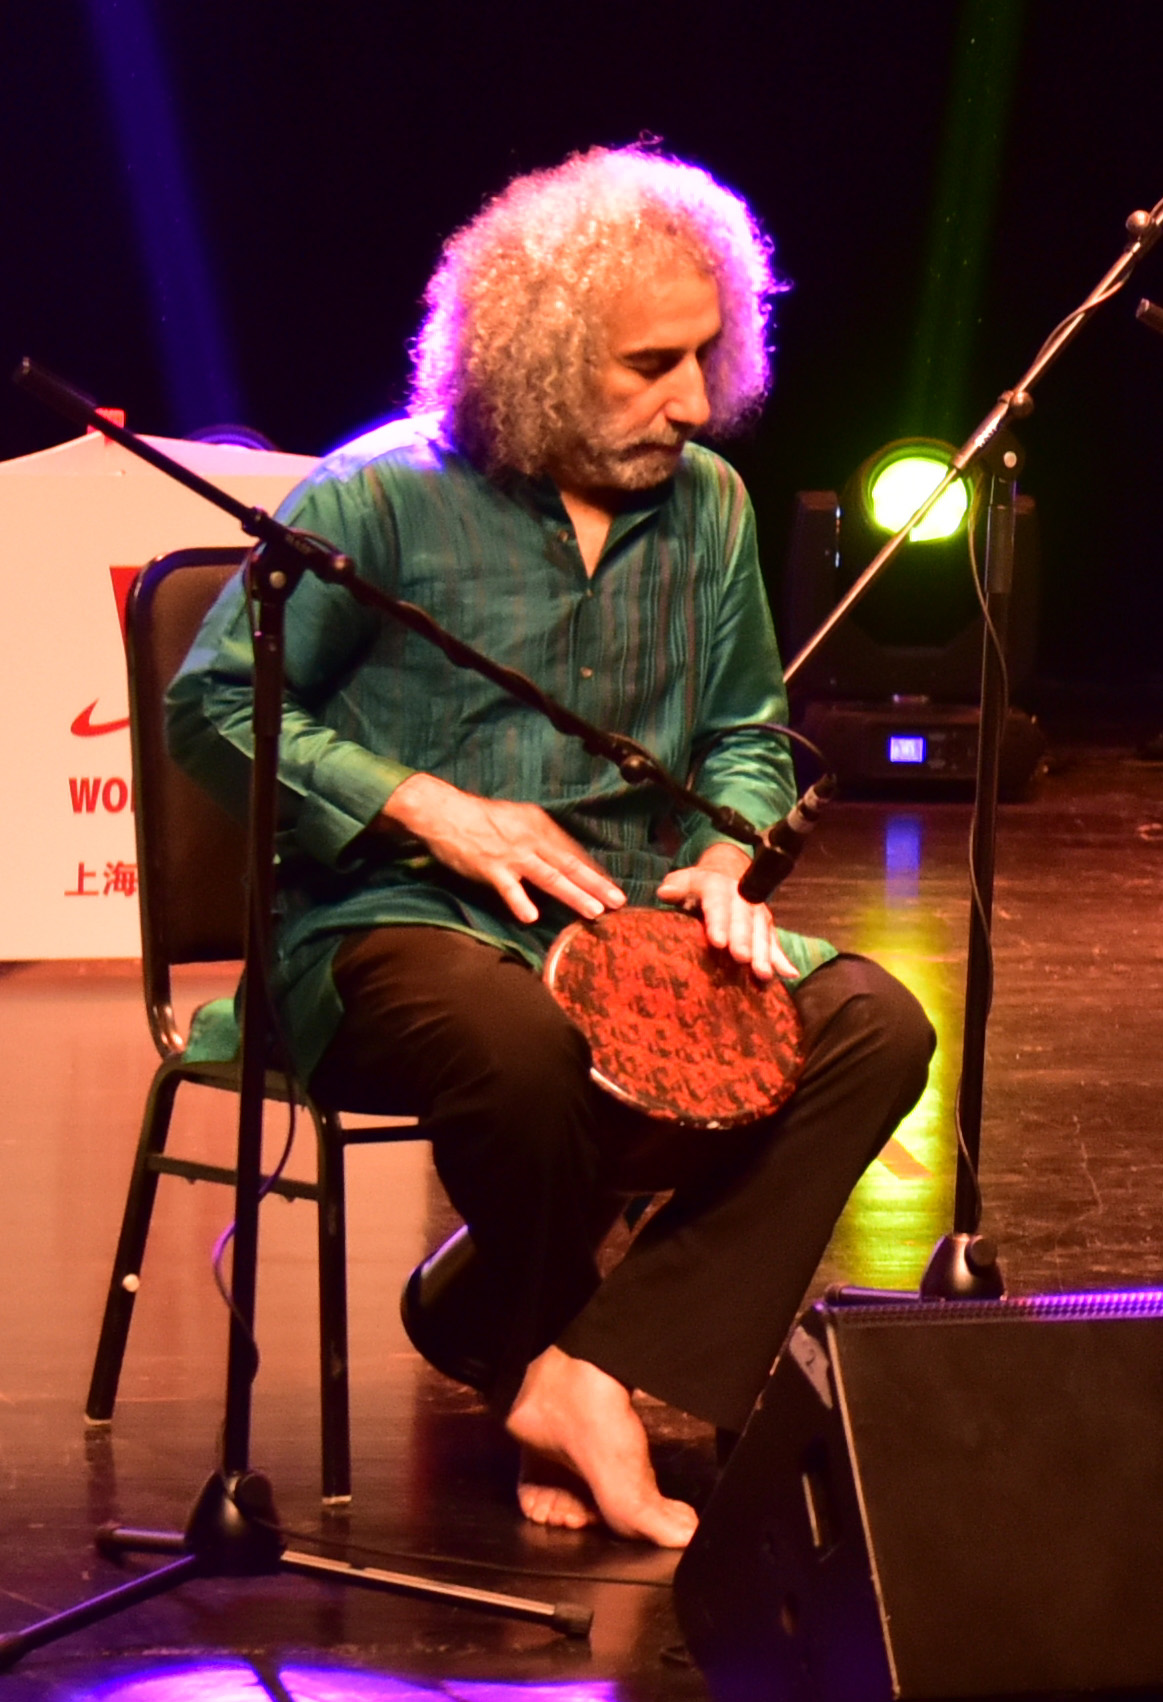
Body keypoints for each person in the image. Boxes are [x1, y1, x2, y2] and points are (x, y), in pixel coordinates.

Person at [168, 144, 935, 1549]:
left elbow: (748, 737)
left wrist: (725, 860)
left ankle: (579, 1369)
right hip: (392, 924)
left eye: (707, 355)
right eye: (651, 364)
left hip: (629, 923)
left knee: (874, 1025)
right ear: (535, 355)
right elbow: (211, 707)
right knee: (518, 1045)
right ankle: (544, 1351)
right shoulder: (373, 498)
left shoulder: (709, 504)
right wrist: (425, 803)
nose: (694, 399)